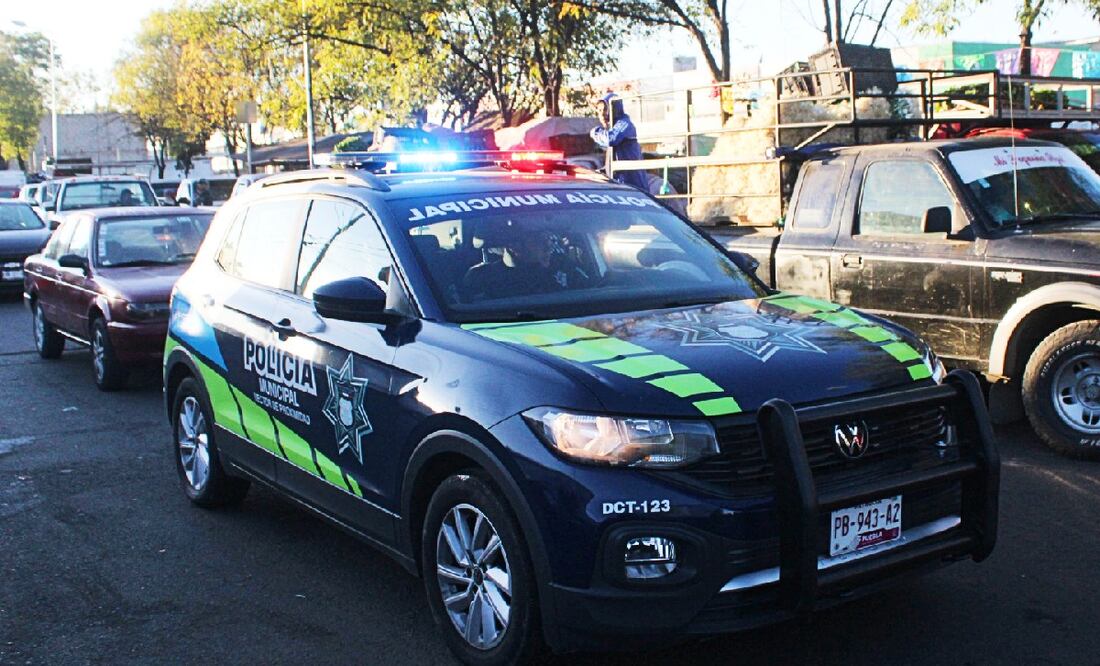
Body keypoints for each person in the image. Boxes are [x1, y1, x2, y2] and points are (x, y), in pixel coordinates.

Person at [463, 227, 590, 300]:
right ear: (514, 246)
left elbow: (591, 290)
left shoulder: (563, 266)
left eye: (549, 239)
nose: (549, 247)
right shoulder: (483, 278)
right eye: (539, 239)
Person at [590, 92, 649, 191]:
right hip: (623, 185)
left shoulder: (624, 123)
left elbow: (611, 139)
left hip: (634, 186)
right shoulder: (612, 128)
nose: (601, 114)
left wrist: (595, 132)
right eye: (599, 110)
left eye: (605, 109)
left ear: (614, 109)